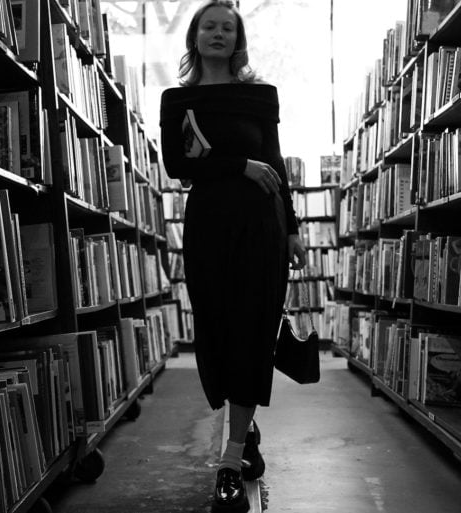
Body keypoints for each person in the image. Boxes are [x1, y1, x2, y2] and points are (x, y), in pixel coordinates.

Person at [159, 1, 306, 511]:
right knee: (218, 332)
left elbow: (277, 162)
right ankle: (245, 427)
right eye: (209, 26)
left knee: (251, 331)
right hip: (207, 225)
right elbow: (177, 165)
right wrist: (238, 165)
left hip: (261, 226)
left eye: (228, 27)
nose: (219, 33)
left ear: (238, 37)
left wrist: (293, 227)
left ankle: (230, 458)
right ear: (195, 37)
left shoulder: (260, 95)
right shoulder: (177, 100)